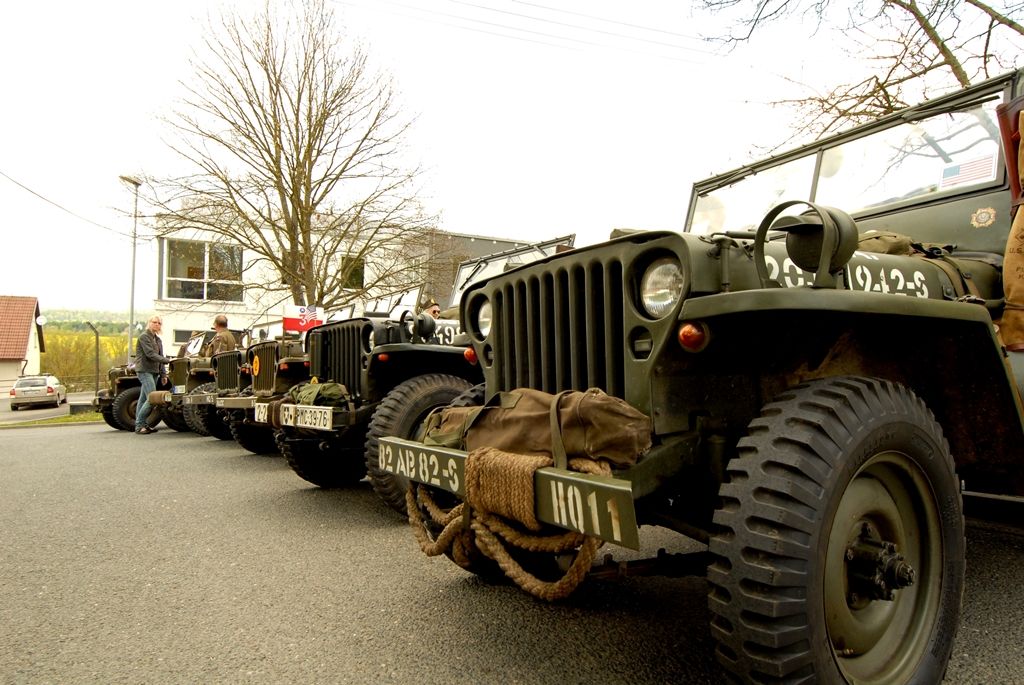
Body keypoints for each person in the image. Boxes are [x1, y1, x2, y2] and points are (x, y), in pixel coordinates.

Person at [134, 316, 171, 435]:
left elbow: (159, 357)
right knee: (152, 399)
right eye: (154, 322)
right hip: (144, 370)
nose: (157, 325)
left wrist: (163, 374)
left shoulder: (158, 340)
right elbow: (150, 354)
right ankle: (139, 425)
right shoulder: (144, 337)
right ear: (149, 323)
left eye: (159, 323)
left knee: (144, 399)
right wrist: (168, 361)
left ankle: (142, 424)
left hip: (154, 372)